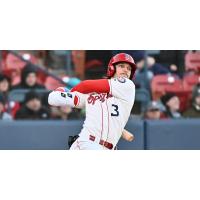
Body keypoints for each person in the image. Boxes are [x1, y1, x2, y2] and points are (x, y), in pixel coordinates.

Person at [48, 53, 136, 150]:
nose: (125, 70)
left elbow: (86, 85)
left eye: (129, 68)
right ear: (112, 68)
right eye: (121, 66)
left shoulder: (128, 86)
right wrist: (61, 91)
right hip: (88, 143)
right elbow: (53, 99)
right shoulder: (92, 94)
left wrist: (71, 91)